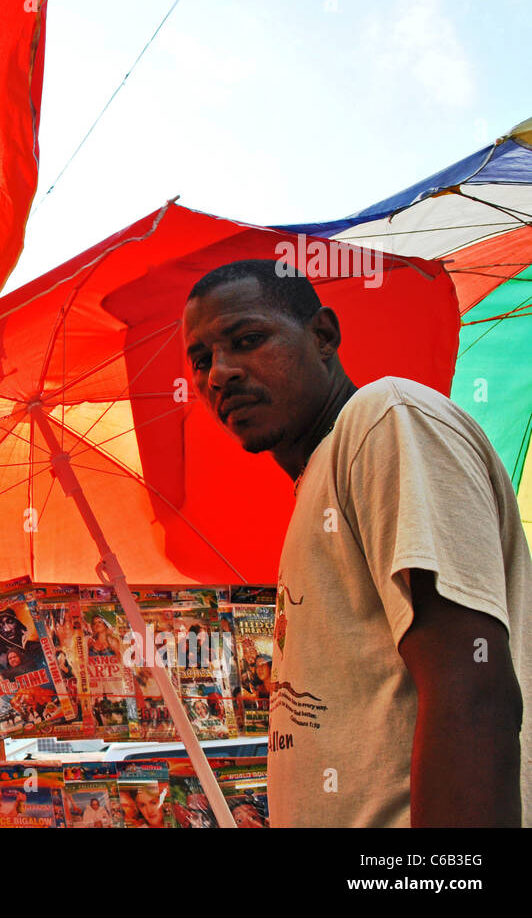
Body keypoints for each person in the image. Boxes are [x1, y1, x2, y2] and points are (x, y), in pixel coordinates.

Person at [183, 258, 529, 827]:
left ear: (322, 335)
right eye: (201, 361)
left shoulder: (385, 420)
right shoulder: (317, 481)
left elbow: (473, 685)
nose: (219, 373)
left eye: (246, 340)